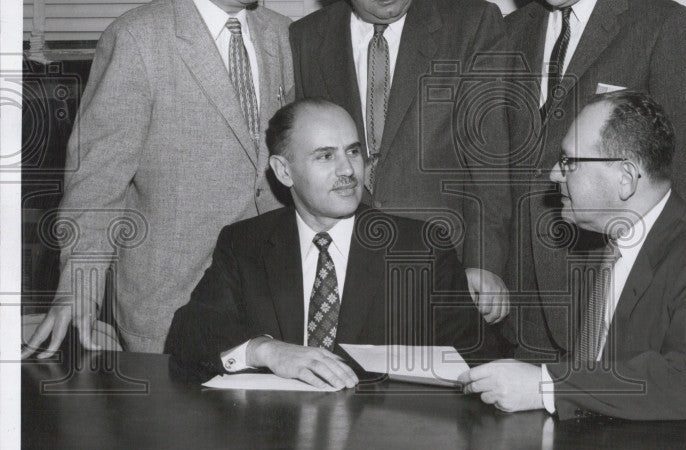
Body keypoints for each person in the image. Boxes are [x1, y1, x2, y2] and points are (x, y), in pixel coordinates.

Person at [24, 0, 295, 355]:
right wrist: (79, 288)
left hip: (271, 302)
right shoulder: (137, 39)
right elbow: (97, 180)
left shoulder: (285, 36)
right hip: (170, 304)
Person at [498, 0, 686, 359]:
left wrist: (667, 292)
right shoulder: (512, 31)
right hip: (524, 297)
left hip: (614, 292)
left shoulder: (661, 25)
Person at [460, 90, 686, 420]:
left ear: (625, 179)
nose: (555, 174)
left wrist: (548, 386)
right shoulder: (597, 241)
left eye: (569, 162)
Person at [289, 0, 512, 326]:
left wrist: (485, 261)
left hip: (446, 266)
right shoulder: (305, 38)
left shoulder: (471, 24)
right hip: (341, 272)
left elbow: (491, 159)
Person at [165, 99, 488, 385]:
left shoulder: (419, 247)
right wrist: (266, 350)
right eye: (325, 156)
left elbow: (480, 355)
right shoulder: (246, 243)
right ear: (283, 171)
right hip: (271, 438)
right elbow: (190, 333)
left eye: (353, 151)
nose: (348, 169)